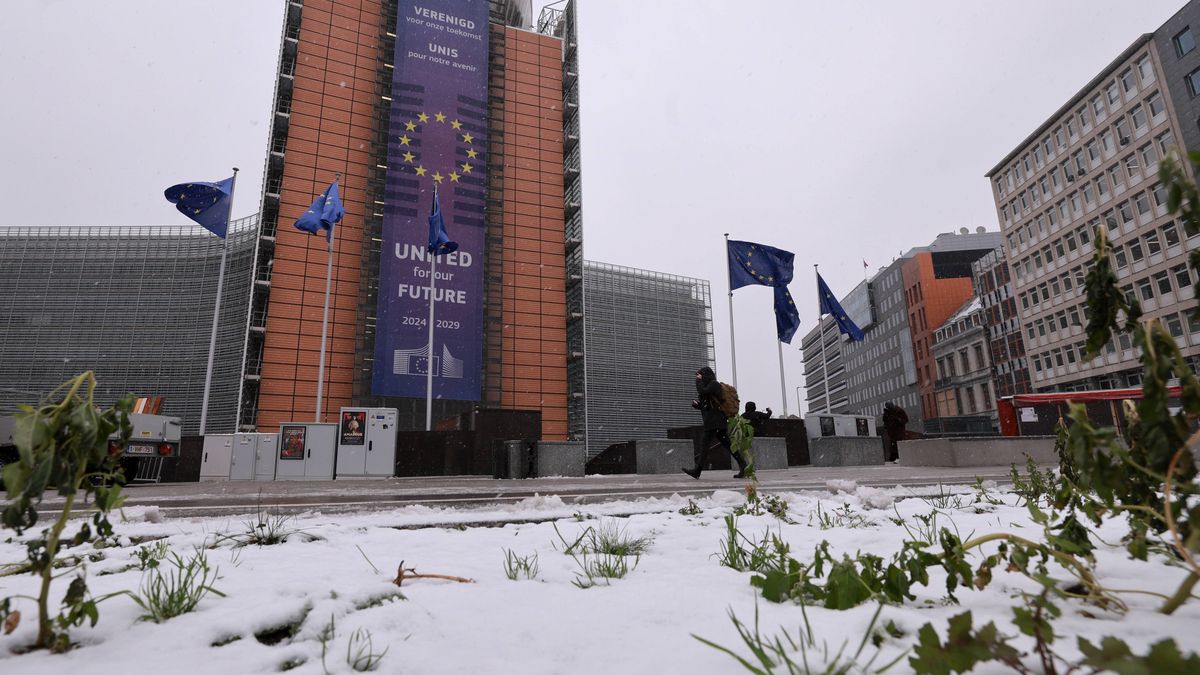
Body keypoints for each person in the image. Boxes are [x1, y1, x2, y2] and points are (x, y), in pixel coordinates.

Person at [682, 366, 747, 479]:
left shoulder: (714, 384)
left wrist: (698, 381)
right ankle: (743, 465)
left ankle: (697, 471)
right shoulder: (709, 385)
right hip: (715, 421)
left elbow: (703, 391)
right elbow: (710, 405)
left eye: (700, 375)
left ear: (706, 374)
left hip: (715, 421)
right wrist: (699, 406)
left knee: (705, 445)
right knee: (727, 444)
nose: (699, 377)